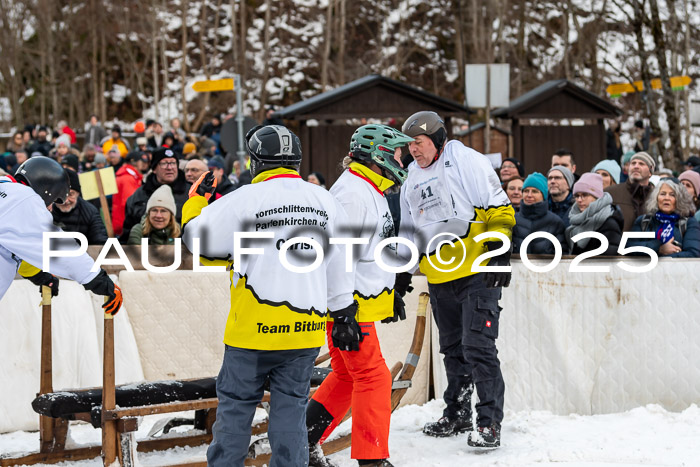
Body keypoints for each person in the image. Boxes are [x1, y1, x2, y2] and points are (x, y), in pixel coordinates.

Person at [182, 124, 355, 467]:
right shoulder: (325, 201)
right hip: (304, 330)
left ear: (256, 161)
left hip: (251, 332)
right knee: (290, 415)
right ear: (296, 161)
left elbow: (196, 241)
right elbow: (340, 266)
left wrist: (195, 203)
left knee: (235, 413)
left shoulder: (244, 198)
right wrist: (343, 313)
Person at [397, 111, 515, 448]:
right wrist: (403, 274)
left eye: (418, 143)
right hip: (439, 275)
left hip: (477, 271)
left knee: (478, 347)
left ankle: (489, 422)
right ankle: (458, 412)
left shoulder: (465, 160)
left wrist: (500, 251)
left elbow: (499, 207)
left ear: (436, 139)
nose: (413, 151)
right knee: (451, 349)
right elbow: (409, 230)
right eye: (409, 146)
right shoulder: (410, 177)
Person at [306, 125, 413, 467]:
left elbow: (372, 248)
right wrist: (342, 314)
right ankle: (372, 460)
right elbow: (338, 256)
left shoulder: (370, 188)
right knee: (374, 377)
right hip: (348, 306)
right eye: (397, 153)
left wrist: (391, 287)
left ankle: (303, 441)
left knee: (347, 375)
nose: (402, 159)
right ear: (378, 154)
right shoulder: (353, 194)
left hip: (358, 302)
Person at [0, 156, 121, 313]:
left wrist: (39, 275)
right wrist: (99, 280)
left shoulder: (6, 192)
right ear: (46, 190)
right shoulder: (23, 199)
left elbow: (18, 245)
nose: (50, 208)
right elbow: (55, 244)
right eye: (52, 201)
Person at [121, 148, 190, 242]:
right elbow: (128, 228)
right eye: (164, 163)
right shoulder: (140, 194)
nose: (169, 167)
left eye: (173, 163)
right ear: (154, 169)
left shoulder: (190, 193)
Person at [629, 179, 700, 258]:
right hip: (646, 269)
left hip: (677, 270)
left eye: (672, 195)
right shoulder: (644, 221)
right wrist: (658, 248)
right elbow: (629, 247)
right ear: (656, 198)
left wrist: (664, 259)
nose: (667, 198)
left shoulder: (688, 223)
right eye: (662, 194)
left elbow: (693, 253)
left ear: (679, 199)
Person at [565, 173, 623, 256]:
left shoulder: (608, 222)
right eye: (577, 196)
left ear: (596, 196)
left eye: (584, 195)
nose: (579, 200)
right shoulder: (574, 219)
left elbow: (609, 257)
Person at [512, 173, 566, 255]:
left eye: (534, 191)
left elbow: (563, 255)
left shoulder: (555, 222)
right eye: (526, 191)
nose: (529, 195)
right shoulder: (513, 221)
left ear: (543, 195)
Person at [51, 169, 108, 245]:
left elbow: (100, 242)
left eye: (71, 194)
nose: (66, 200)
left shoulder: (90, 212)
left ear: (78, 194)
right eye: (61, 194)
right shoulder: (46, 210)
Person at [605, 151, 655, 231]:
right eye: (633, 163)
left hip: (650, 242)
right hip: (618, 242)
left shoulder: (658, 196)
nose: (636, 166)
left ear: (650, 171)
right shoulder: (611, 193)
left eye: (641, 164)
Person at [112, 152, 144, 236]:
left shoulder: (128, 176)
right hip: (123, 225)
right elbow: (130, 203)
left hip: (121, 223)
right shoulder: (128, 178)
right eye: (141, 160)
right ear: (136, 162)